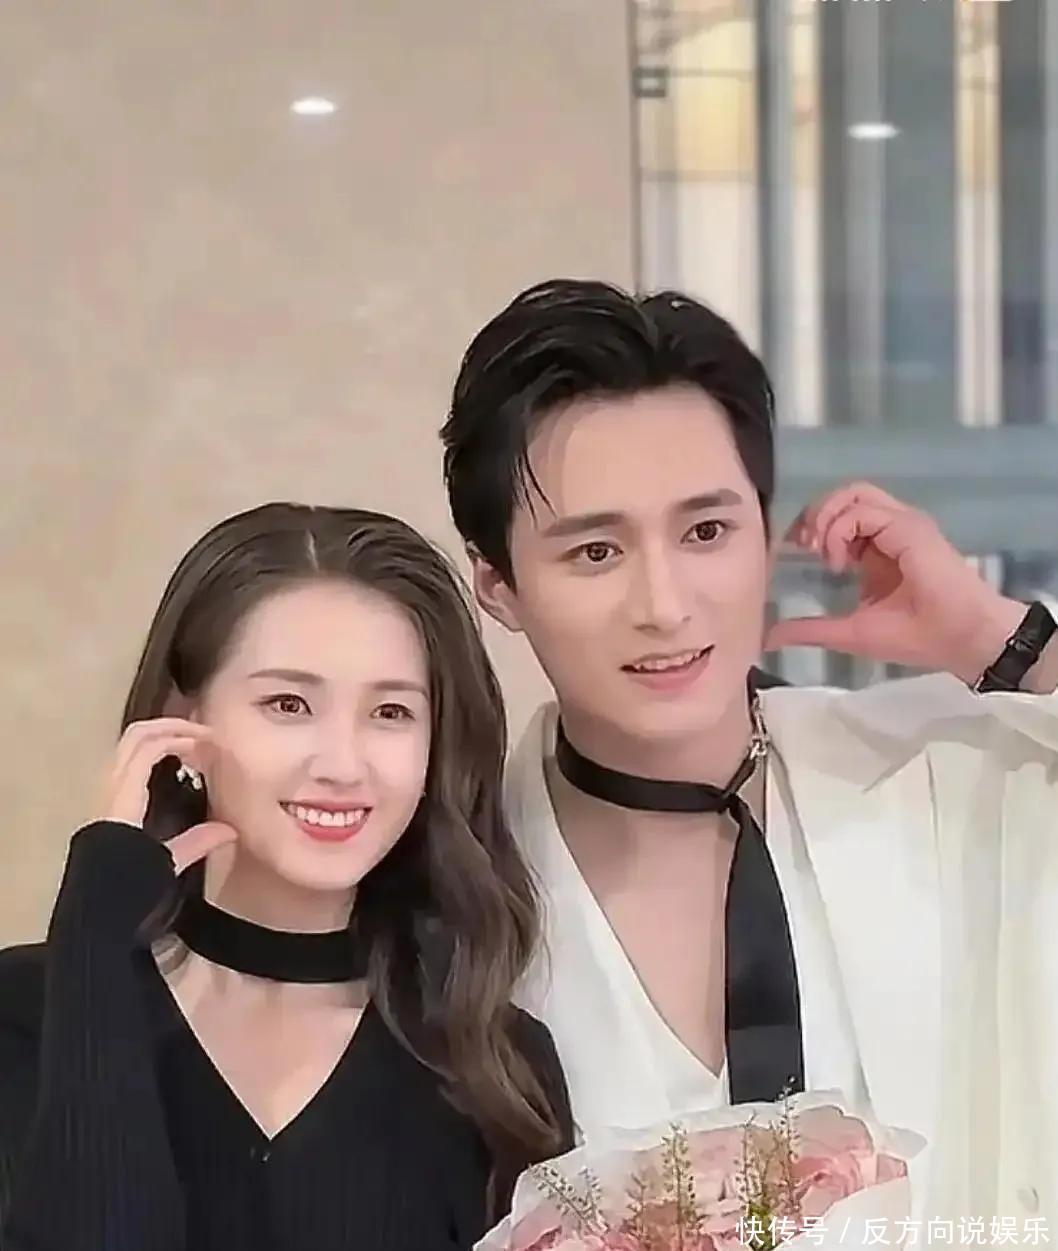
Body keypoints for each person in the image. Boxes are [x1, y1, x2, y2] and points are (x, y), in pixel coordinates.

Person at [440, 279, 1058, 1221]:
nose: (665, 604)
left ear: (766, 536)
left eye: (706, 531)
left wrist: (998, 639)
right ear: (498, 584)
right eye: (596, 552)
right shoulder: (454, 893)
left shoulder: (947, 774)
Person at [0, 503, 574, 1251]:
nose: (342, 764)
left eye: (391, 712)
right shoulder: (25, 1013)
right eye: (288, 703)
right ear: (182, 719)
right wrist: (94, 943)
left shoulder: (501, 1073)